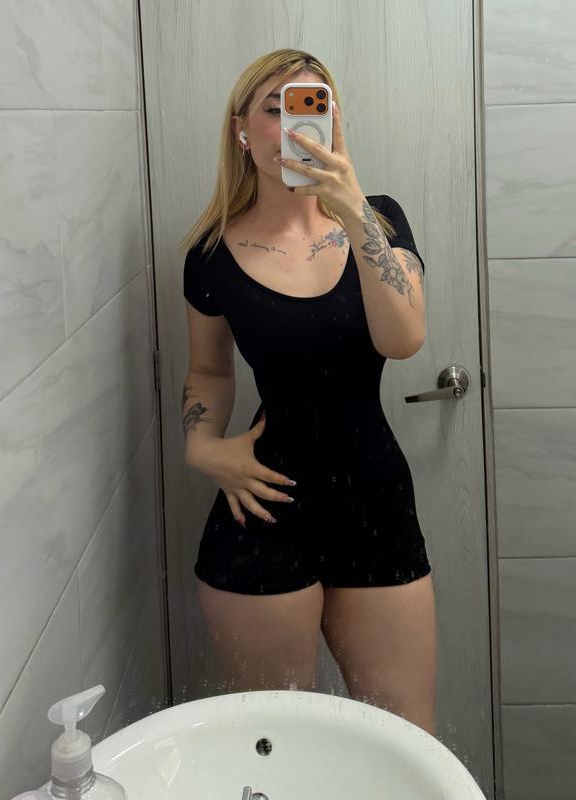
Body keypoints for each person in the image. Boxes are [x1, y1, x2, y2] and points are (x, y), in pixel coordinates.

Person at [179, 51, 436, 734]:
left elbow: (404, 338)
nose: (295, 125)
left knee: (406, 739)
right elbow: (208, 371)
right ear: (240, 129)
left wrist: (351, 208)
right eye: (276, 108)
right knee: (276, 747)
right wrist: (202, 445)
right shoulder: (211, 254)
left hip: (374, 504)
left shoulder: (379, 218)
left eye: (313, 106)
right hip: (262, 506)